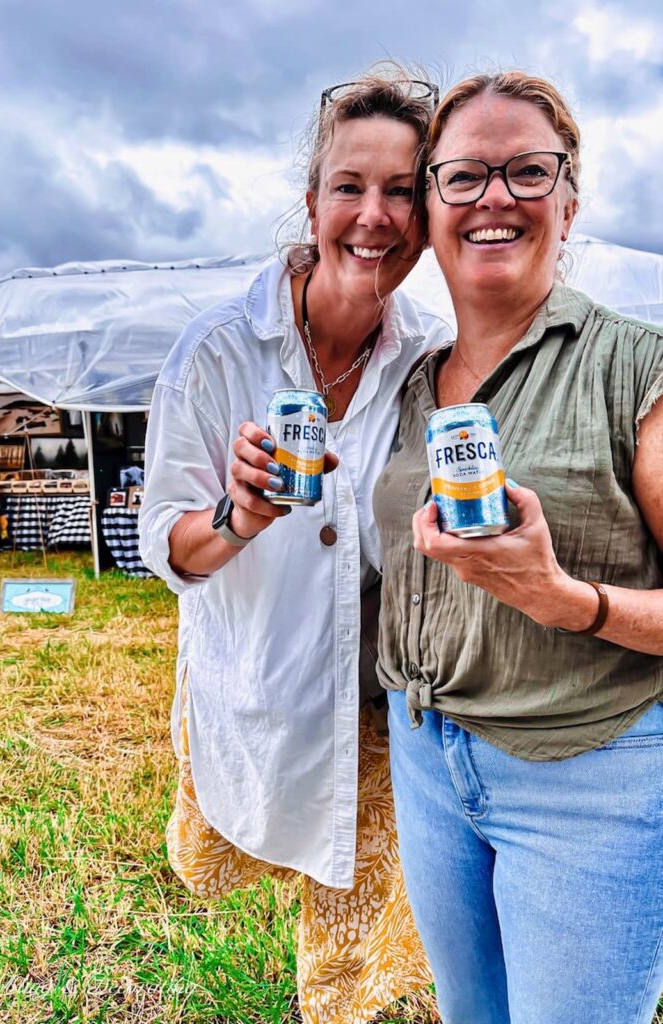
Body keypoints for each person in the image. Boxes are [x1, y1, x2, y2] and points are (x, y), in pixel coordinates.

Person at [139, 65, 453, 1024]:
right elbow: (166, 546)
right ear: (311, 200)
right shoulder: (220, 350)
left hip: (376, 695)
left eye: (403, 189)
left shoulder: (433, 356)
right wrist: (234, 516)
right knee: (235, 836)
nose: (374, 216)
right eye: (349, 187)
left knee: (351, 947)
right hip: (262, 670)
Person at [373, 71, 663, 1024]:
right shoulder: (405, 384)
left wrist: (566, 599)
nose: (495, 197)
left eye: (528, 171)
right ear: (430, 206)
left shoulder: (636, 364)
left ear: (569, 200)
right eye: (464, 176)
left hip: (592, 774)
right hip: (426, 756)